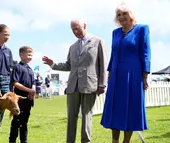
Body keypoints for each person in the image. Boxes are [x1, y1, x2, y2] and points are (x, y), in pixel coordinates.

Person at [42, 19, 107, 143]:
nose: (75, 31)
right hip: (72, 86)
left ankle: (85, 141)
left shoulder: (98, 41)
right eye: (73, 29)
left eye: (77, 28)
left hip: (90, 86)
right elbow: (68, 65)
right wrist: (53, 64)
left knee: (87, 117)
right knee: (71, 118)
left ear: (85, 26)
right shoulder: (72, 47)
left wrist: (102, 84)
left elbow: (103, 65)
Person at [100, 2, 151, 143]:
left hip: (133, 75)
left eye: (124, 14)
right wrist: (109, 72)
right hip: (116, 75)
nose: (121, 17)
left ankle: (126, 141)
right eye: (118, 15)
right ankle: (115, 140)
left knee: (131, 107)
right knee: (115, 107)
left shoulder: (142, 29)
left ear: (131, 15)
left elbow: (146, 53)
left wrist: (145, 76)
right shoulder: (115, 33)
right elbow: (113, 54)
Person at [9, 46, 36, 143]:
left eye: (31, 55)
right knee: (16, 122)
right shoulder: (17, 67)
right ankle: (12, 140)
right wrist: (28, 90)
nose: (30, 56)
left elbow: (33, 83)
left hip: (28, 100)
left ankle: (24, 140)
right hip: (19, 100)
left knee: (24, 122)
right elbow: (15, 83)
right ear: (21, 55)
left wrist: (32, 92)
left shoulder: (30, 69)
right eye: (28, 54)